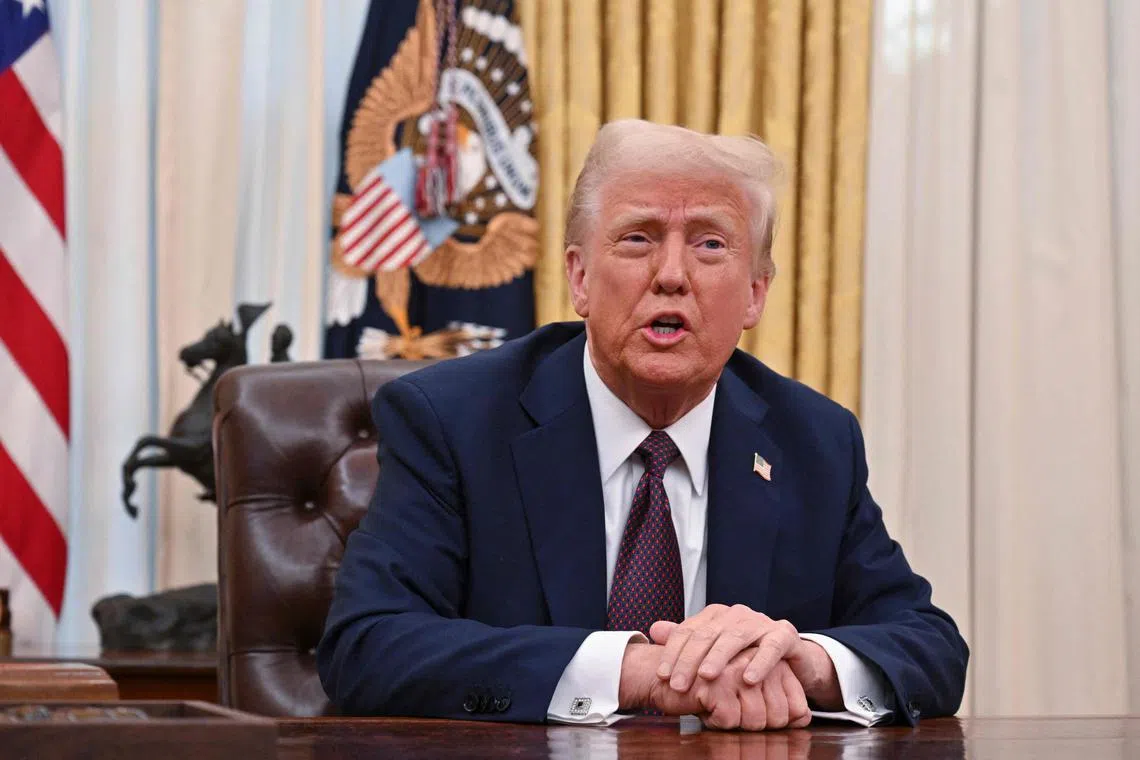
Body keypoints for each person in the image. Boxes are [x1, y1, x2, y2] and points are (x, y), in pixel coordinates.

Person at [318, 119, 968, 730]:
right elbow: (369, 645)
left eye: (710, 244)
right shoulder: (453, 419)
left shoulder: (813, 440)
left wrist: (804, 659)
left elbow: (929, 645)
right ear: (578, 276)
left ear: (755, 294)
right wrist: (639, 671)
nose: (671, 276)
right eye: (639, 239)